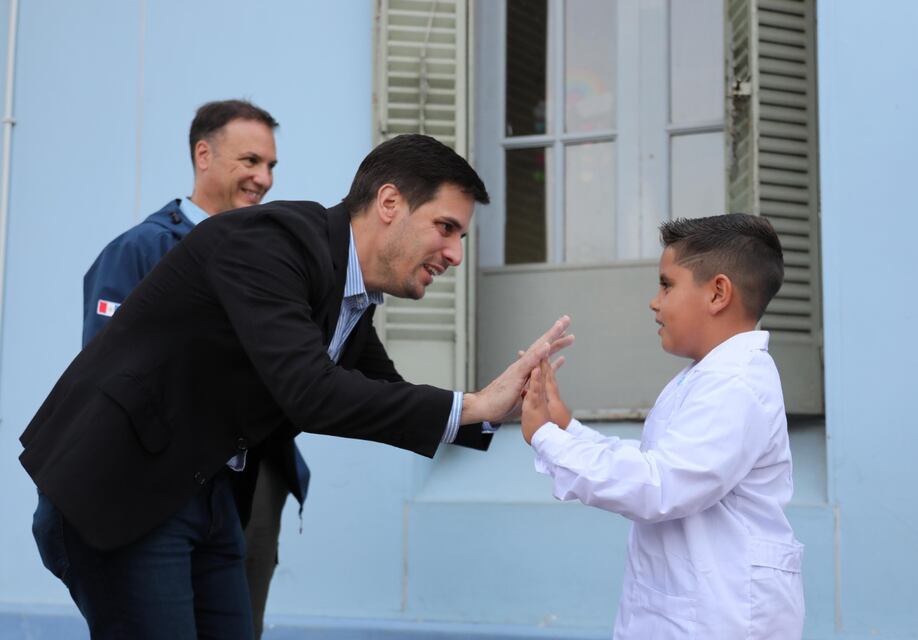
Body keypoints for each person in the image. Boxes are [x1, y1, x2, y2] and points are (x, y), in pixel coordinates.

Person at [22, 133, 573, 639]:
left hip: (206, 494)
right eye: (445, 227)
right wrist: (472, 405)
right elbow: (311, 392)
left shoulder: (350, 292)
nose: (455, 254)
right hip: (121, 490)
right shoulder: (271, 244)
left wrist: (498, 409)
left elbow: (383, 391)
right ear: (389, 203)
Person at [521, 213, 804, 639]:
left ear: (718, 293)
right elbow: (654, 463)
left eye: (667, 285)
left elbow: (658, 486)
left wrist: (545, 438)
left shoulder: (737, 383)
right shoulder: (704, 376)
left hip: (721, 619)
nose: (654, 302)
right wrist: (565, 427)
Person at [81, 98, 304, 639]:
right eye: (250, 161)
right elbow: (108, 376)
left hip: (251, 482)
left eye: (271, 165)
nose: (264, 178)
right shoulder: (141, 249)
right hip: (163, 487)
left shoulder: (269, 261)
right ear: (204, 155)